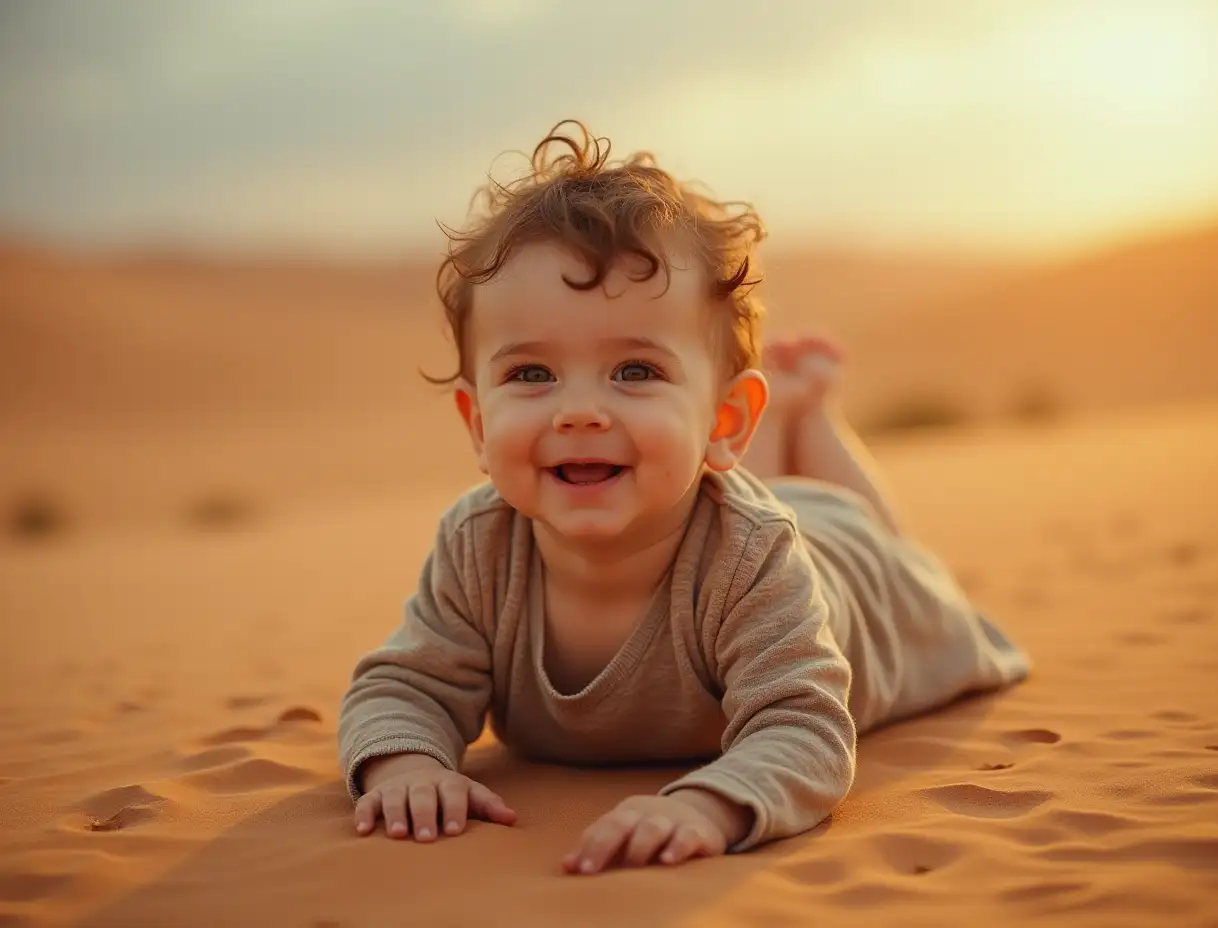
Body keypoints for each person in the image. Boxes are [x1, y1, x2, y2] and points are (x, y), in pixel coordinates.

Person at [336, 120, 1029, 875]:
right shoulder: (478, 547)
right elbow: (403, 684)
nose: (579, 411)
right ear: (476, 422)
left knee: (869, 534)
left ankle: (812, 415)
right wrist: (403, 765)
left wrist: (710, 803)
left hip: (861, 586)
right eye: (531, 375)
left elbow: (804, 727)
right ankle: (778, 418)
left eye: (634, 372)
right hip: (732, 490)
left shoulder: (753, 557)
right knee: (737, 485)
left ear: (725, 419)